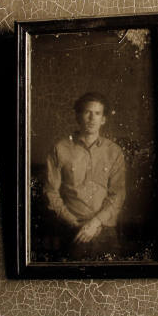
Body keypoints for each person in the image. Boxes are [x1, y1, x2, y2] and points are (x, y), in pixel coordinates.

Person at [43, 92, 126, 260]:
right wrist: (73, 222)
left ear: (103, 119)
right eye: (87, 112)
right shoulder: (60, 149)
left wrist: (95, 223)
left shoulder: (114, 152)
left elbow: (118, 194)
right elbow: (50, 192)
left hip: (104, 230)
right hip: (72, 230)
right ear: (78, 116)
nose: (91, 118)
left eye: (97, 113)